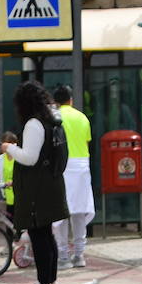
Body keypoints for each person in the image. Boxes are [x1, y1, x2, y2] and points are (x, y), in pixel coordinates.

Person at [3, 80, 69, 284]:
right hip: (52, 182)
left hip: (37, 187)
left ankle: (43, 283)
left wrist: (10, 148)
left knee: (39, 234)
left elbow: (30, 158)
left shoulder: (34, 124)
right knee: (46, 234)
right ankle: (51, 280)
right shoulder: (52, 119)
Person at [50, 85, 94, 269]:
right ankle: (79, 254)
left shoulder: (55, 117)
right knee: (79, 211)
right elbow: (86, 141)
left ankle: (63, 255)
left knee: (61, 212)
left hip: (62, 166)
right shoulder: (82, 117)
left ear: (55, 101)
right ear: (71, 99)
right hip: (82, 167)